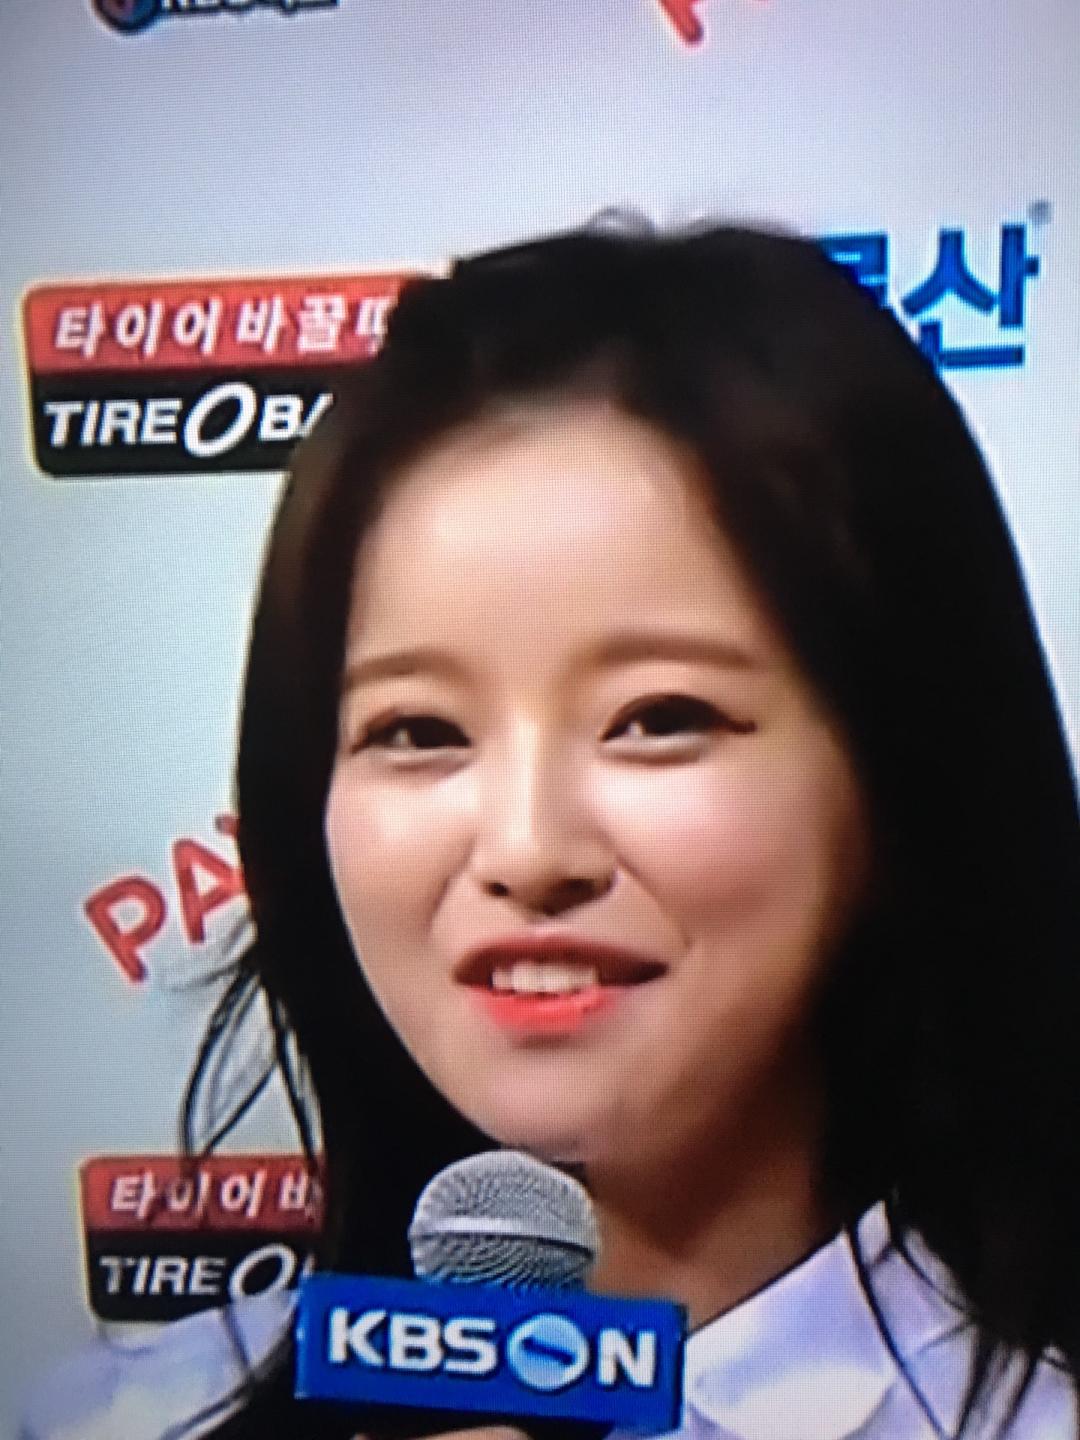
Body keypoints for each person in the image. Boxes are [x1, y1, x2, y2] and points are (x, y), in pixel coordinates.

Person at [23, 220, 1080, 1440]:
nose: (526, 852)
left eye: (659, 719)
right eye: (417, 730)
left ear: (896, 773)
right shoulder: (127, 1417)